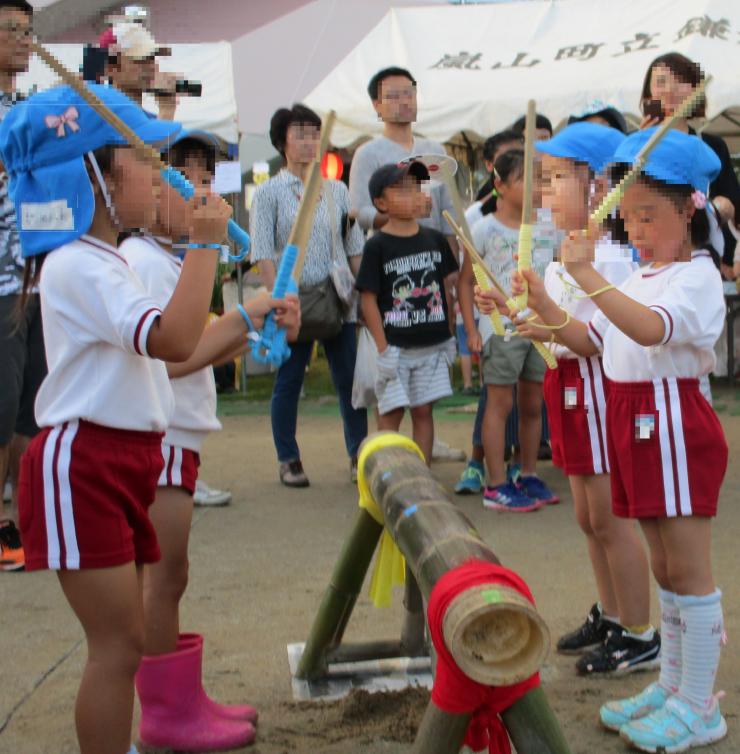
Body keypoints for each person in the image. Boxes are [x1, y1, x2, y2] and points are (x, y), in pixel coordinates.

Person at [1, 83, 234, 754]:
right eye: (141, 158)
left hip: (119, 459)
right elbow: (174, 340)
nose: (160, 171)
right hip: (85, 464)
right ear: (93, 178)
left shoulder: (99, 260)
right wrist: (206, 245)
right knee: (116, 645)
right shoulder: (79, 264)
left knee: (124, 642)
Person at [498, 129, 728, 751]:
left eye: (649, 216)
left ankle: (699, 703)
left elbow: (651, 331)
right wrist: (542, 298)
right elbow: (589, 340)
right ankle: (675, 685)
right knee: (662, 562)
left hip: (673, 422)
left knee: (688, 568)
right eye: (629, 217)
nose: (637, 229)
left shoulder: (695, 277)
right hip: (637, 421)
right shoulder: (645, 272)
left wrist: (590, 278)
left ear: (690, 209)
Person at [122, 133, 300, 751]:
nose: (200, 192)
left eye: (207, 179)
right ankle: (164, 713)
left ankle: (179, 700)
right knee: (162, 575)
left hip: (179, 432)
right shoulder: (145, 261)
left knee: (170, 575)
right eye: (179, 179)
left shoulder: (179, 260)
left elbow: (200, 350)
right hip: (161, 431)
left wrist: (255, 317)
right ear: (144, 192)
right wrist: (246, 316)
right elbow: (166, 360)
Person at [533, 123, 659, 675]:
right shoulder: (567, 255)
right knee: (587, 515)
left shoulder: (608, 260)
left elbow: (588, 340)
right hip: (568, 389)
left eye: (557, 177)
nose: (545, 192)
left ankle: (639, 630)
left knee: (610, 518)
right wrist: (522, 314)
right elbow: (556, 334)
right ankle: (612, 616)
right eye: (544, 179)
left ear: (599, 185)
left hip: (597, 393)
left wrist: (541, 305)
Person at [250, 104, 368, 487]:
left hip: (336, 299)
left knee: (350, 379)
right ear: (282, 141)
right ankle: (288, 458)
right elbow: (262, 251)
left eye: (314, 134)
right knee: (289, 380)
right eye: (299, 134)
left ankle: (359, 455)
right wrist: (279, 297)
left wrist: (363, 293)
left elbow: (353, 246)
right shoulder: (269, 192)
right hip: (293, 301)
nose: (308, 142)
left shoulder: (335, 188)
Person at [458, 149, 559, 511]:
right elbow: (466, 282)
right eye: (525, 180)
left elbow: (560, 274)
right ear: (499, 185)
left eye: (540, 180)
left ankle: (526, 472)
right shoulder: (484, 229)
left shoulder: (550, 227)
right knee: (499, 403)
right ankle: (496, 484)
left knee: (534, 403)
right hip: (500, 329)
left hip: (540, 327)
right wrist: (472, 328)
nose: (535, 188)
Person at [356, 161, 458, 463]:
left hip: (432, 343)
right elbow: (368, 300)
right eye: (401, 190)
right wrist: (382, 347)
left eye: (416, 188)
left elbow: (446, 288)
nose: (412, 195)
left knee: (424, 410)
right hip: (395, 346)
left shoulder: (435, 240)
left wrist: (450, 332)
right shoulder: (377, 246)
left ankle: (422, 474)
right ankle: (385, 473)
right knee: (391, 411)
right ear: (380, 202)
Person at [640, 51, 740, 278]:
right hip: (646, 258)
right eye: (661, 81)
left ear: (696, 90)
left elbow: (730, 201)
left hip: (698, 256)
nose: (671, 89)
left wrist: (709, 210)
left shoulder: (712, 146)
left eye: (681, 81)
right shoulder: (633, 144)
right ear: (649, 93)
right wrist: (640, 146)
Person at [0, 0, 35, 571]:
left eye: (28, 30)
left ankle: (23, 522)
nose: (24, 40)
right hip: (1, 279)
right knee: (2, 408)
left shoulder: (27, 109)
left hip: (37, 277)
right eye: (10, 29)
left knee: (32, 406)